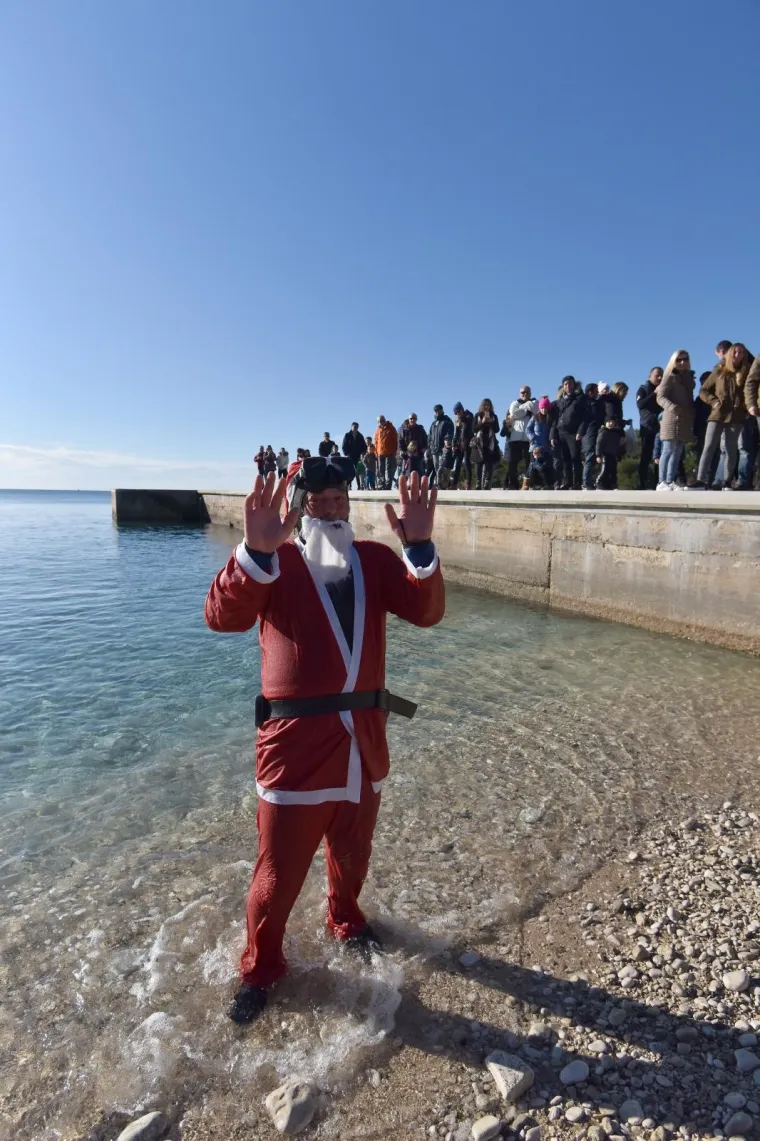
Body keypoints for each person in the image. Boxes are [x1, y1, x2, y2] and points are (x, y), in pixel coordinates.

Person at [205, 462, 444, 1025]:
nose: (332, 509)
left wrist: (423, 545)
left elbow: (428, 612)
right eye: (319, 501)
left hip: (364, 741)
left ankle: (346, 919)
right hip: (293, 749)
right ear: (301, 507)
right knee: (277, 871)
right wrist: (253, 553)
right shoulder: (277, 565)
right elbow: (220, 617)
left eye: (339, 499)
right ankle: (261, 968)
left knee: (353, 852)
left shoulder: (377, 561)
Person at [693, 343, 752, 489]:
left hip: (736, 416)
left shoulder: (747, 372)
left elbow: (751, 391)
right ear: (730, 353)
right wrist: (713, 402)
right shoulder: (719, 370)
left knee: (731, 449)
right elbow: (703, 390)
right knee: (709, 446)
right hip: (717, 414)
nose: (738, 355)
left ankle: (726, 481)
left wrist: (746, 409)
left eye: (742, 353)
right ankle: (701, 479)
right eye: (736, 352)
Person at [656, 350, 695, 490]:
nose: (682, 362)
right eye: (679, 360)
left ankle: (670, 480)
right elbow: (660, 397)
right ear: (673, 361)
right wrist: (673, 407)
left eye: (685, 359)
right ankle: (661, 481)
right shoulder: (669, 376)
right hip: (671, 418)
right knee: (668, 450)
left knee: (678, 451)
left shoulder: (688, 378)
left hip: (684, 418)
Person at [551, 376, 587, 489]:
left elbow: (585, 417)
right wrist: (552, 435)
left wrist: (580, 431)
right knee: (565, 459)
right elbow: (554, 419)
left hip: (573, 432)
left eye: (570, 383)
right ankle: (568, 482)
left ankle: (577, 483)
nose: (568, 386)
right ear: (563, 386)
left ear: (574, 384)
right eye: (566, 384)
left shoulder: (580, 399)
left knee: (575, 458)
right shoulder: (559, 401)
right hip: (560, 432)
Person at [595, 383, 629, 489]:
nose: (625, 395)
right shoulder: (611, 400)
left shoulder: (617, 401)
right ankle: (600, 482)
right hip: (609, 434)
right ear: (619, 390)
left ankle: (611, 483)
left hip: (615, 435)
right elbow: (611, 416)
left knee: (612, 463)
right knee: (607, 463)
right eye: (624, 392)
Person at [505, 386, 538, 489]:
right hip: (515, 438)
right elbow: (513, 413)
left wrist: (521, 410)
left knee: (531, 463)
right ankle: (513, 484)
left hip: (529, 439)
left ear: (530, 393)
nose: (524, 394)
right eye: (522, 392)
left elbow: (536, 409)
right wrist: (527, 411)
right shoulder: (514, 403)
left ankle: (529, 484)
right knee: (512, 463)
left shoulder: (535, 402)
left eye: (527, 392)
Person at [636, 368, 663, 489]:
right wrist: (654, 394)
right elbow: (640, 404)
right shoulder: (643, 389)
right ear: (649, 376)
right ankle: (641, 483)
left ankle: (659, 482)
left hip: (661, 426)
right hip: (647, 427)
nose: (659, 378)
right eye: (657, 375)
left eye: (661, 376)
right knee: (646, 456)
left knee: (660, 455)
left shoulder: (663, 388)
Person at [471, 398, 500, 490]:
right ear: (482, 406)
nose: (487, 407)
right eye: (485, 405)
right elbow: (474, 429)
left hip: (490, 443)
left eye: (489, 405)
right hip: (479, 443)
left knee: (489, 464)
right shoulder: (477, 416)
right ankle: (478, 483)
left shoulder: (494, 416)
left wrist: (491, 422)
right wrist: (482, 422)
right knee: (478, 464)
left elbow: (497, 430)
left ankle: (487, 483)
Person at [578, 384, 601, 490]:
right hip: (589, 435)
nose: (598, 393)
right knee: (589, 458)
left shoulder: (590, 403)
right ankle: (586, 482)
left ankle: (588, 481)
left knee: (590, 459)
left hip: (589, 435)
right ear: (590, 392)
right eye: (596, 391)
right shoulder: (588, 404)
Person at [428, 405, 455, 486]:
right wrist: (430, 445)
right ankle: (440, 485)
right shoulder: (433, 423)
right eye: (435, 411)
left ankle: (445, 484)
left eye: (438, 410)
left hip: (443, 449)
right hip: (434, 450)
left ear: (442, 410)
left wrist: (447, 440)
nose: (437, 412)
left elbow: (450, 432)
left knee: (443, 468)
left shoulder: (447, 421)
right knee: (437, 469)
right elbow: (430, 435)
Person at [452, 403, 474, 489]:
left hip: (467, 443)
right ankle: (454, 484)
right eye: (456, 413)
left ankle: (468, 484)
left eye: (458, 411)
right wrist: (454, 443)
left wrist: (461, 419)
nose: (458, 414)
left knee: (467, 464)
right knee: (458, 464)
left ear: (462, 409)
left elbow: (469, 426)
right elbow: (457, 432)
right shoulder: (457, 420)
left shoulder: (469, 415)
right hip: (459, 444)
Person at [374, 416, 399, 491]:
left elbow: (395, 440)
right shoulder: (377, 430)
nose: (381, 422)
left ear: (385, 420)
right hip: (380, 453)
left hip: (389, 452)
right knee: (381, 470)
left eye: (382, 420)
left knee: (388, 470)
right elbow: (375, 442)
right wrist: (376, 452)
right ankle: (382, 484)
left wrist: (395, 451)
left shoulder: (391, 428)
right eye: (379, 421)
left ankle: (388, 485)